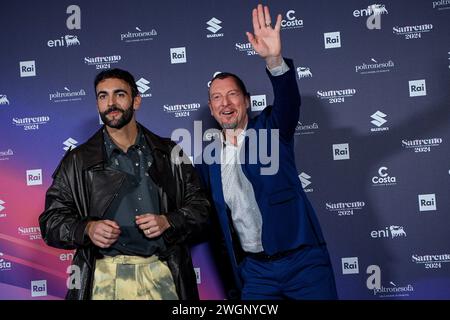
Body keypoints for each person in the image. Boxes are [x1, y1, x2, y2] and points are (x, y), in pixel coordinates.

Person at [197, 4, 338, 299]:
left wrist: (274, 60)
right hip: (256, 273)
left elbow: (289, 101)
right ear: (211, 109)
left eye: (232, 94)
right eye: (217, 98)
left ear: (246, 101)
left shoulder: (272, 128)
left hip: (303, 263)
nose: (225, 103)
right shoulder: (208, 160)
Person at [39, 68, 210, 300]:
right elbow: (51, 222)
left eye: (119, 94)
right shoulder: (78, 160)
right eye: (102, 96)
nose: (110, 103)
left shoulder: (169, 152)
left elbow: (201, 207)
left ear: (136, 100)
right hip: (104, 277)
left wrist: (169, 221)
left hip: (160, 272)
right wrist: (87, 228)